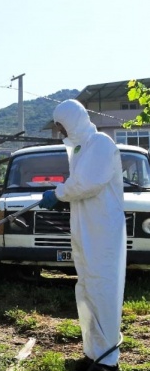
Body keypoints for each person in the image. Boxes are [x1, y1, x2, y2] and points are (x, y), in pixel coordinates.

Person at [39, 99, 125, 371]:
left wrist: (58, 193)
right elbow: (80, 183)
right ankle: (93, 354)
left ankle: (108, 361)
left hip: (103, 233)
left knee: (102, 292)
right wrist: (60, 191)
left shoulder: (100, 143)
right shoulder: (80, 149)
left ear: (73, 120)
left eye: (62, 127)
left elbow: (87, 183)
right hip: (87, 232)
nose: (61, 133)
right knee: (87, 290)